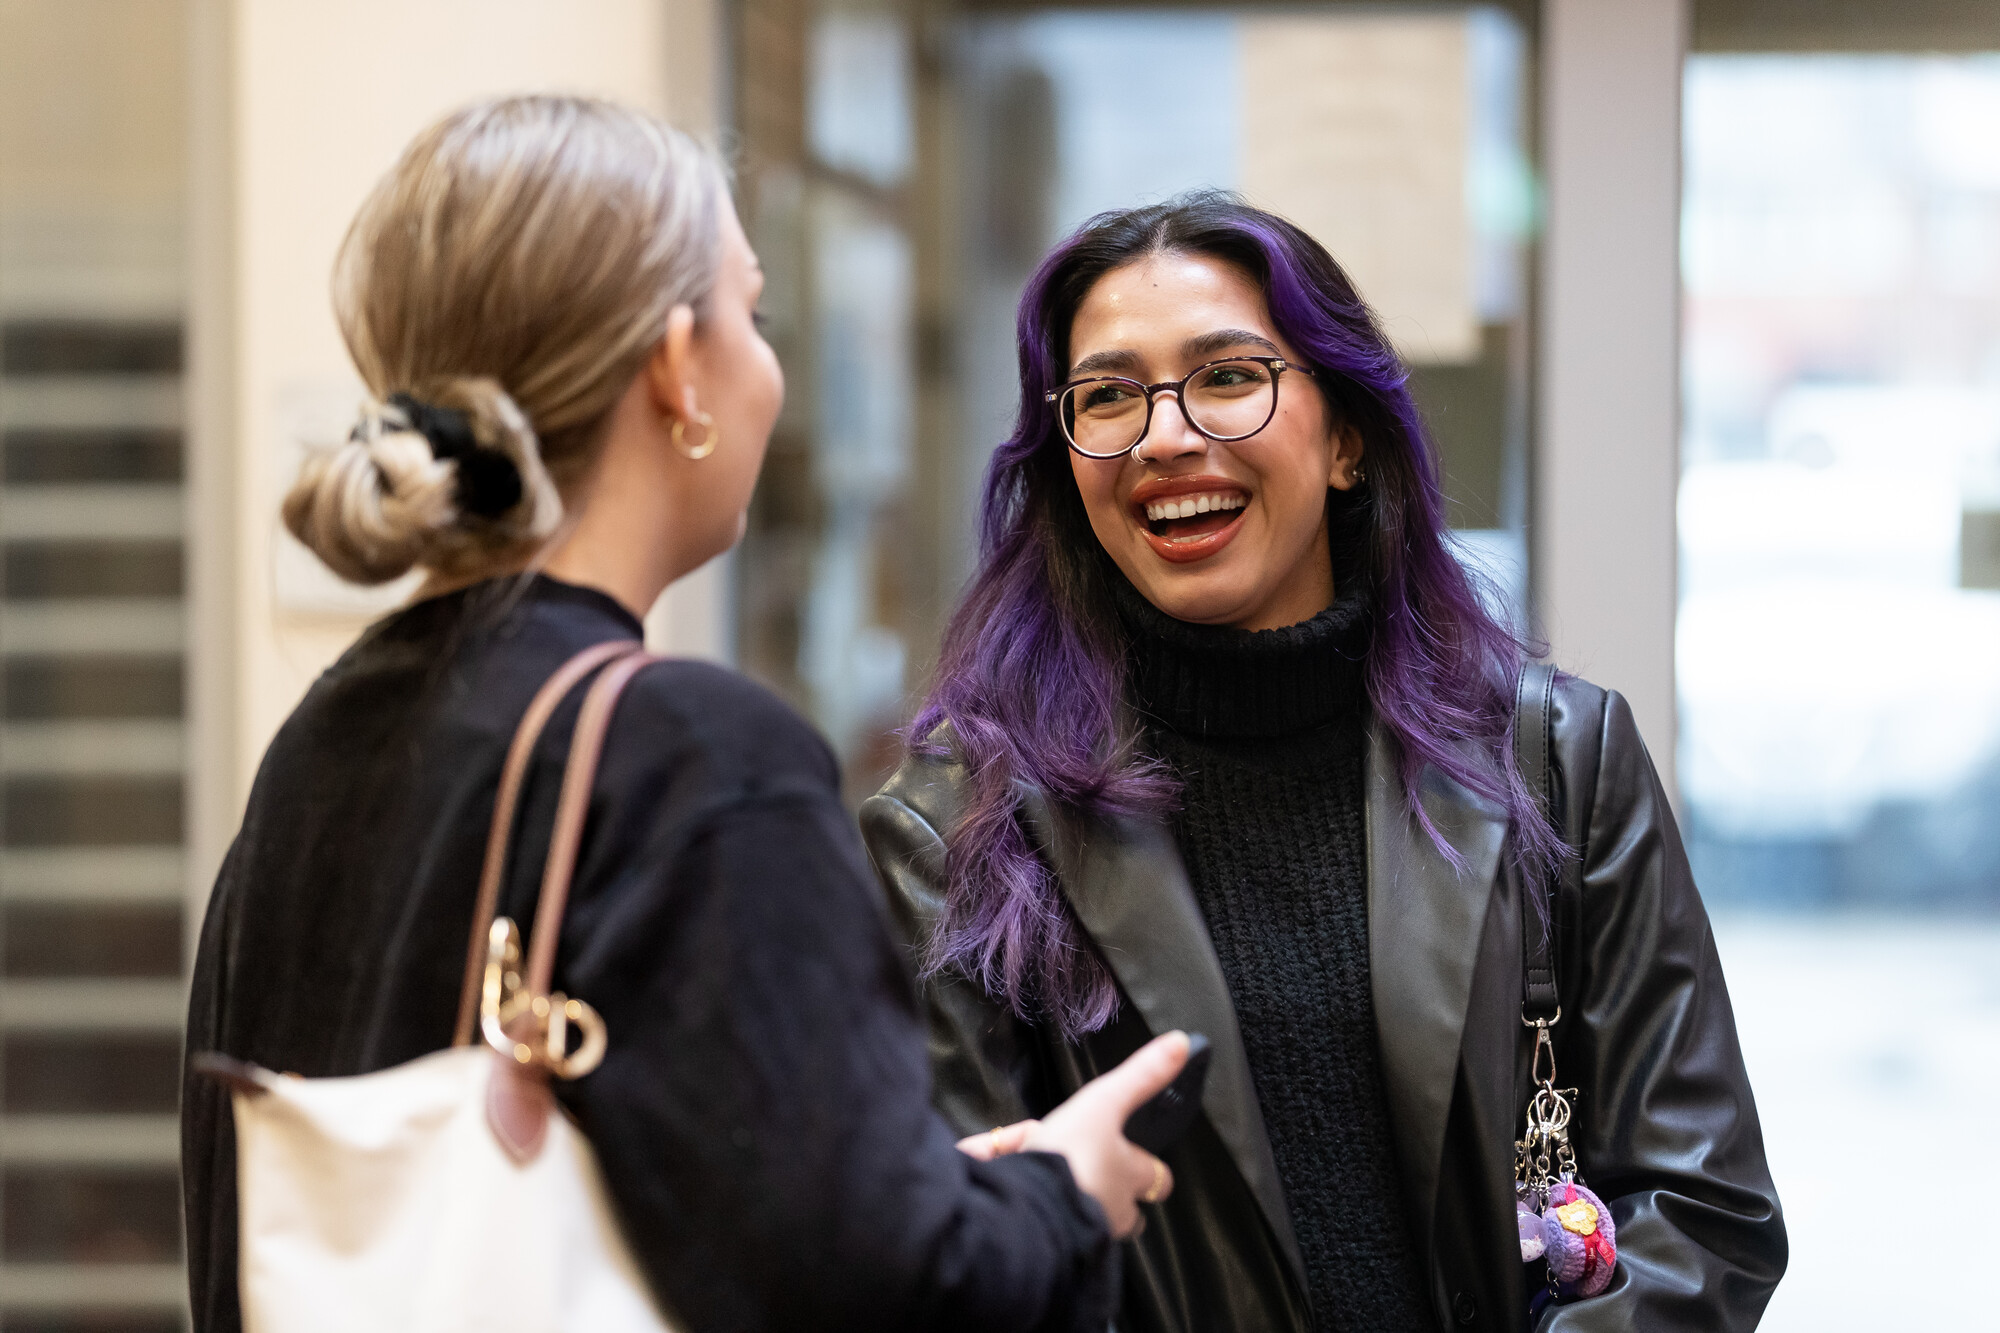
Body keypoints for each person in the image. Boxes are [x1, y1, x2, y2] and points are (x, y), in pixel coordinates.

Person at [180, 96, 1191, 1333]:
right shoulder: (696, 758)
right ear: (676, 367)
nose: (767, 363)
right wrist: (1062, 1193)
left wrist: (915, 1190)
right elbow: (901, 1293)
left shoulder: (324, 737)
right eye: (750, 313)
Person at [861, 193, 1787, 1332]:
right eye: (1105, 395)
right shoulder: (957, 828)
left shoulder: (1556, 758)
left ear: (1345, 437)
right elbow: (945, 1274)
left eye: (1226, 376)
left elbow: (1701, 1211)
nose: (1162, 435)